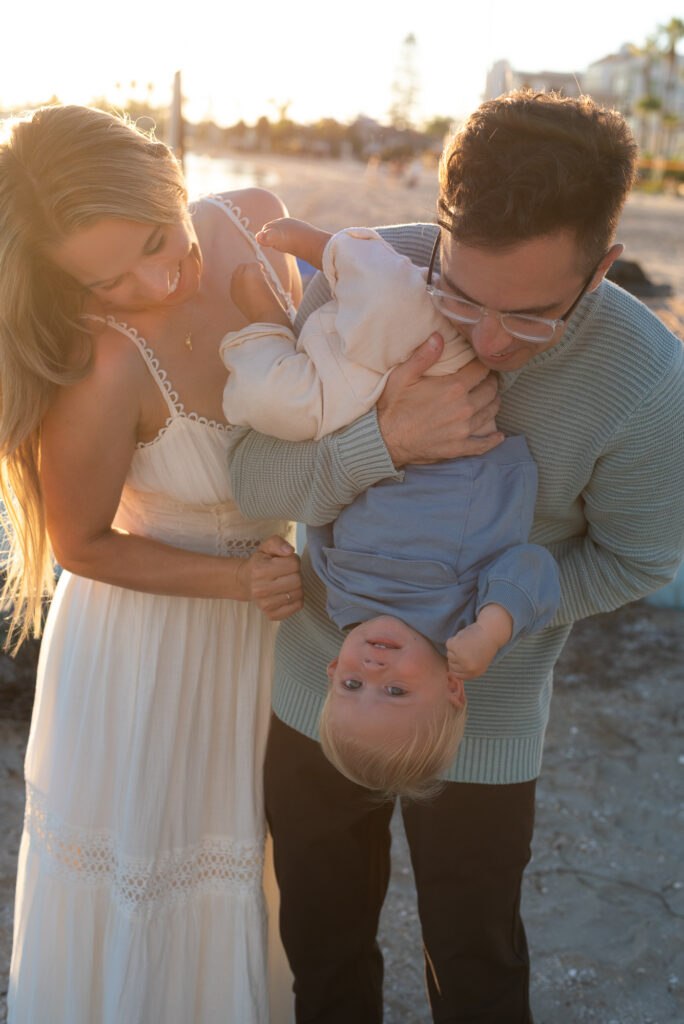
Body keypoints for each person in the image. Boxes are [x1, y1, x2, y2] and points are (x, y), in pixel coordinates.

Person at [226, 90, 684, 1023]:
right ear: (436, 228)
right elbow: (254, 480)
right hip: (318, 687)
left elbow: (639, 561)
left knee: (475, 964)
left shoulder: (647, 379)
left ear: (603, 267)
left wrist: (489, 619)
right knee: (322, 945)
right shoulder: (366, 273)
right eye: (458, 295)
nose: (481, 340)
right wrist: (380, 443)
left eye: (528, 322)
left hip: (491, 712)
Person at [1, 104, 304, 1024]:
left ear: (169, 178)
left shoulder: (257, 215)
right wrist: (239, 580)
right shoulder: (101, 358)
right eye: (109, 279)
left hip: (276, 632)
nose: (156, 279)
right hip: (154, 649)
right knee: (160, 871)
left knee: (264, 868)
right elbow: (81, 543)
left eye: (155, 239)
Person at [221, 218, 560, 798]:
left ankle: (263, 324)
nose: (372, 673)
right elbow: (535, 569)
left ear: (332, 670)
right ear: (453, 688)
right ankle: (329, 248)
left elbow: (320, 515)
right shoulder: (464, 621)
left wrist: (278, 552)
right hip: (451, 390)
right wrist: (493, 629)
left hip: (362, 421)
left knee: (270, 402)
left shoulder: (339, 602)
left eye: (352, 684)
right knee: (400, 313)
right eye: (396, 692)